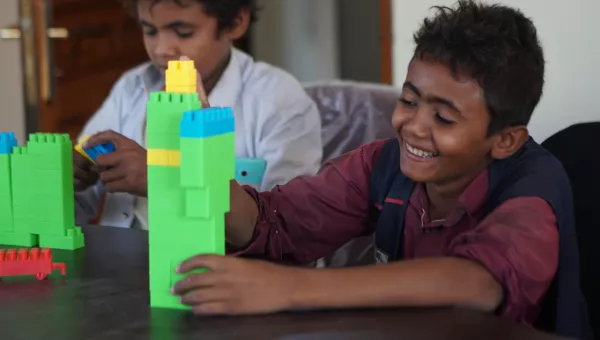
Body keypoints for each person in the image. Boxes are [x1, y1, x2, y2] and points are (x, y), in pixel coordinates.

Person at [169, 1, 590, 339]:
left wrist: (287, 287)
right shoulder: (385, 164)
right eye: (409, 101)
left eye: (443, 119)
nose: (413, 126)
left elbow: (478, 283)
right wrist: (200, 160)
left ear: (505, 140)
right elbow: (273, 222)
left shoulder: (533, 190)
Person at [72, 0, 322, 229]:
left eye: (183, 32)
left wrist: (161, 179)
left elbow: (288, 230)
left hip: (226, 271)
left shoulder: (279, 100)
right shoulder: (132, 89)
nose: (161, 50)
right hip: (124, 266)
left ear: (236, 22)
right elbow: (79, 201)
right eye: (150, 31)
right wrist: (70, 178)